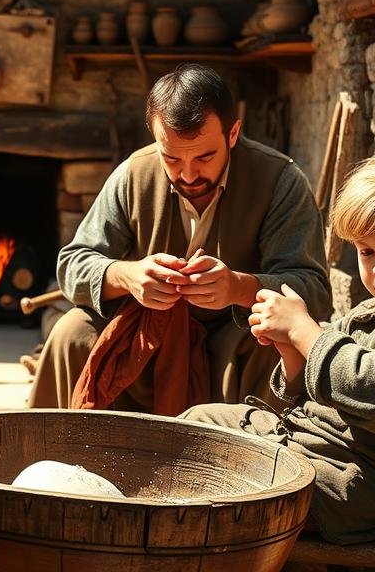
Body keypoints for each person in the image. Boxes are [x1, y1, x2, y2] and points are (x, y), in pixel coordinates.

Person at [184, 149, 375, 544]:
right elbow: (316, 392)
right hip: (306, 449)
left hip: (347, 486)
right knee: (197, 424)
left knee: (206, 482)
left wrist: (304, 329)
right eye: (366, 251)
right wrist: (291, 351)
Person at [29, 63, 332, 411]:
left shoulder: (280, 181)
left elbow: (314, 291)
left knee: (273, 341)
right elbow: (72, 265)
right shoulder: (135, 174)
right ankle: (59, 454)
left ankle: (255, 461)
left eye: (205, 156)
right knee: (71, 332)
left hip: (233, 341)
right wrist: (128, 276)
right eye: (171, 157)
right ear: (156, 139)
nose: (188, 174)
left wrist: (238, 287)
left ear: (233, 134)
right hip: (148, 335)